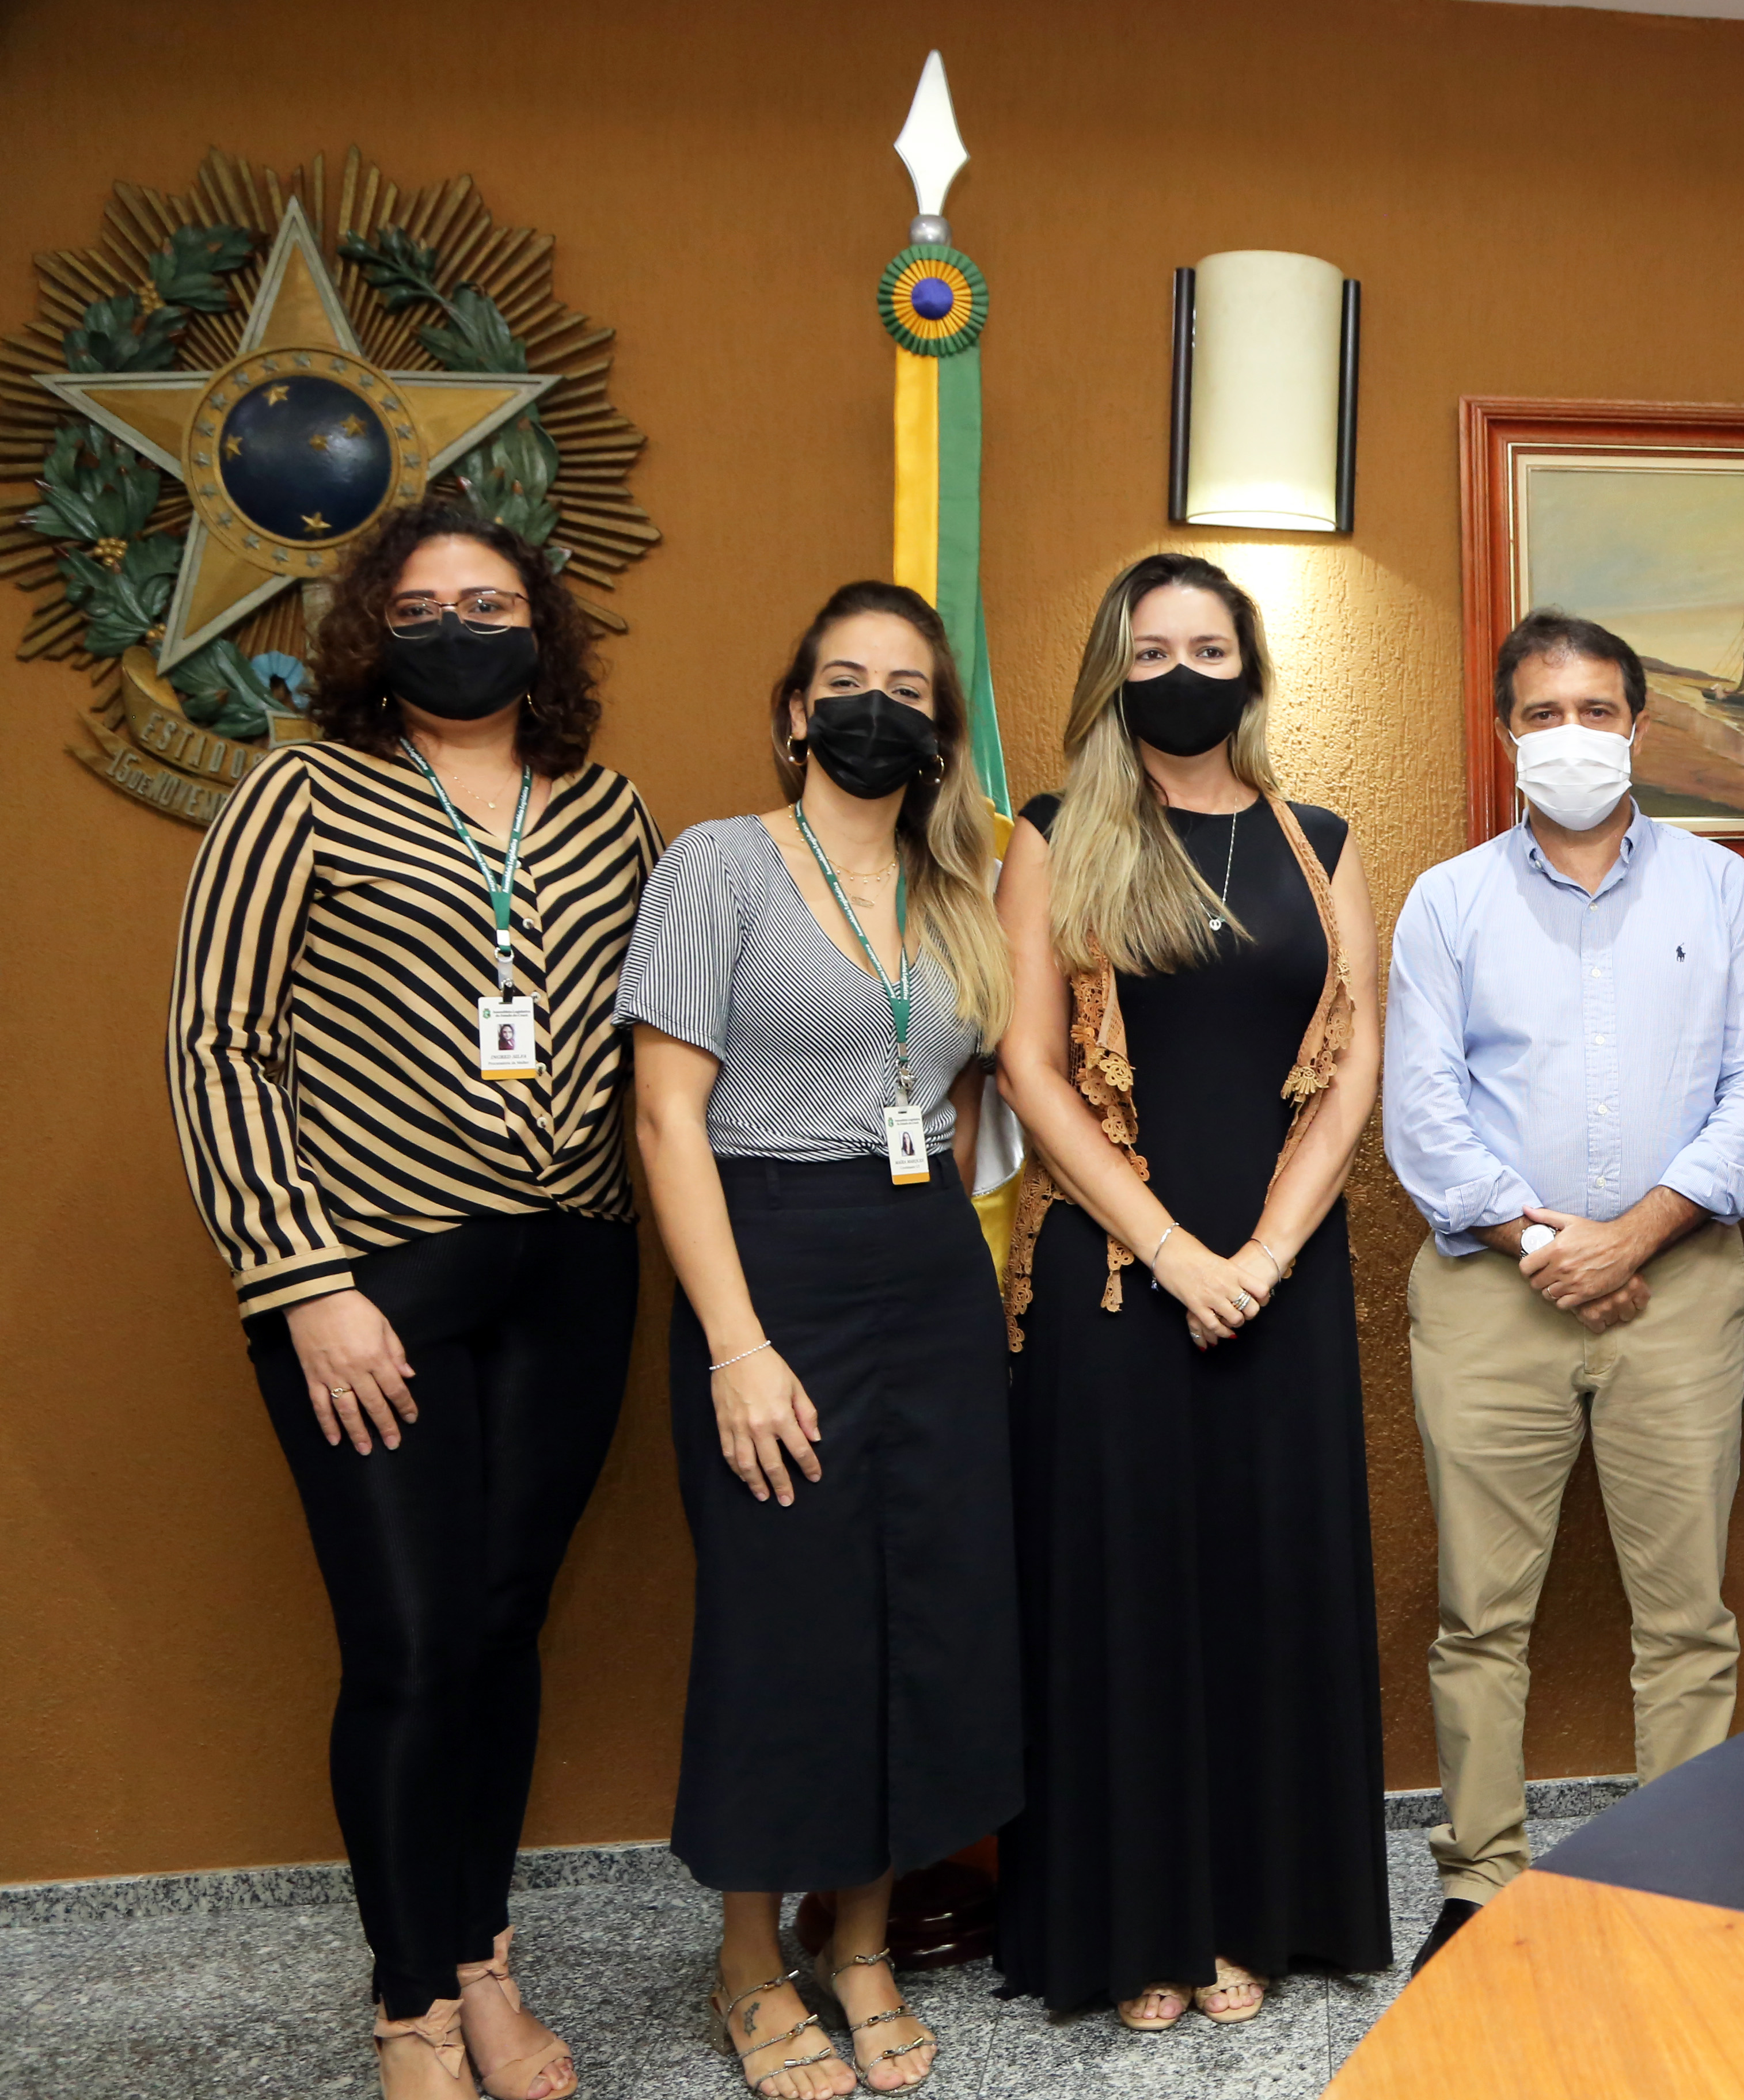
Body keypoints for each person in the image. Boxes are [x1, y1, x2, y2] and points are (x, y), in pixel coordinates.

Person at [168, 499, 653, 2100]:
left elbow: (661, 1042)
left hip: (571, 1268)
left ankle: (481, 1962)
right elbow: (220, 1042)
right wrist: (302, 1282)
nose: (460, 627)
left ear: (542, 627)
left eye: (491, 602)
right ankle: (409, 2010)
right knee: (411, 1642)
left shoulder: (606, 811)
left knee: (503, 1626)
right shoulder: (299, 791)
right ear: (375, 634)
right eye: (425, 606)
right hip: (372, 1279)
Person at [624, 581, 1020, 2096]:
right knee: (783, 1616)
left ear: (940, 726)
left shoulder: (959, 890)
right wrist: (735, 1346)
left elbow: (967, 1108)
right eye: (845, 681)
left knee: (926, 1610)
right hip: (769, 1257)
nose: (875, 708)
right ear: (796, 713)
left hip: (927, 1269)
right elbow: (666, 1116)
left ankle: (858, 1941)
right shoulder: (720, 866)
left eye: (907, 688)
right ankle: (747, 1957)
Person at [990, 553, 1389, 2029]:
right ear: (1114, 672)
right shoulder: (1055, 836)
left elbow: (1353, 1061)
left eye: (1207, 648)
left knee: (1264, 1590)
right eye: (1150, 650)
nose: (1180, 673)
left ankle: (1253, 1916)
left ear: (1251, 669)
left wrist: (1265, 1255)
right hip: (1115, 1278)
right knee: (1126, 1598)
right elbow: (1031, 1068)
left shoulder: (1320, 840)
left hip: (1283, 1276)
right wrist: (1170, 1253)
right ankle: (1134, 1928)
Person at [1382, 609, 1744, 1970]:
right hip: (1491, 1297)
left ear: (1639, 729)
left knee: (1687, 1618)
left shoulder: (1724, 892)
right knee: (1480, 1618)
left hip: (1679, 1289)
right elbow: (1424, 1116)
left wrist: (1637, 1236)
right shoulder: (1447, 903)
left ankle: (1675, 1879)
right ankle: (1479, 1879)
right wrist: (1552, 1247)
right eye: (1544, 714)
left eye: (1597, 712)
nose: (1573, 737)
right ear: (1507, 734)